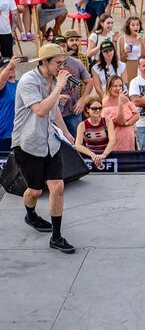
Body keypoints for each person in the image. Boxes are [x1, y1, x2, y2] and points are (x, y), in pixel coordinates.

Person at [12, 44, 76, 253]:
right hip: (28, 143)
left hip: (50, 141)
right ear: (44, 62)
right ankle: (30, 214)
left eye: (63, 62)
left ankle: (56, 237)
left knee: (57, 186)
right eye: (58, 63)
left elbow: (53, 109)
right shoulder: (28, 81)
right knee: (35, 191)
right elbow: (40, 110)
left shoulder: (52, 80)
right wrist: (59, 87)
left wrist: (66, 134)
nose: (61, 66)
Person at [51, 35, 93, 137]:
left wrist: (82, 99)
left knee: (78, 141)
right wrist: (57, 97)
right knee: (58, 142)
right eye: (58, 46)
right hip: (55, 112)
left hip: (74, 111)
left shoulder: (76, 62)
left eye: (63, 45)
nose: (61, 49)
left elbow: (89, 81)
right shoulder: (49, 65)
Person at [74, 95, 116, 167]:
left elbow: (113, 140)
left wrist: (104, 155)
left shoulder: (107, 121)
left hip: (107, 155)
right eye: (94, 108)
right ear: (87, 109)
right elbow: (78, 145)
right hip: (89, 157)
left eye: (100, 108)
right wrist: (92, 154)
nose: (97, 110)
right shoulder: (82, 125)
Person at [101, 75, 138, 151]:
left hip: (130, 139)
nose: (118, 88)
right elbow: (120, 122)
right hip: (117, 142)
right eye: (115, 86)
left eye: (120, 86)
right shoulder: (106, 103)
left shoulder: (125, 99)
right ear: (109, 87)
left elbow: (136, 115)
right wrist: (120, 103)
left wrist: (127, 123)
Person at [0, 56, 21, 151]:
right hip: (4, 133)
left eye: (13, 67)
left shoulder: (21, 83)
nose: (10, 68)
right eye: (6, 67)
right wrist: (10, 65)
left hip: (20, 133)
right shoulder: (3, 85)